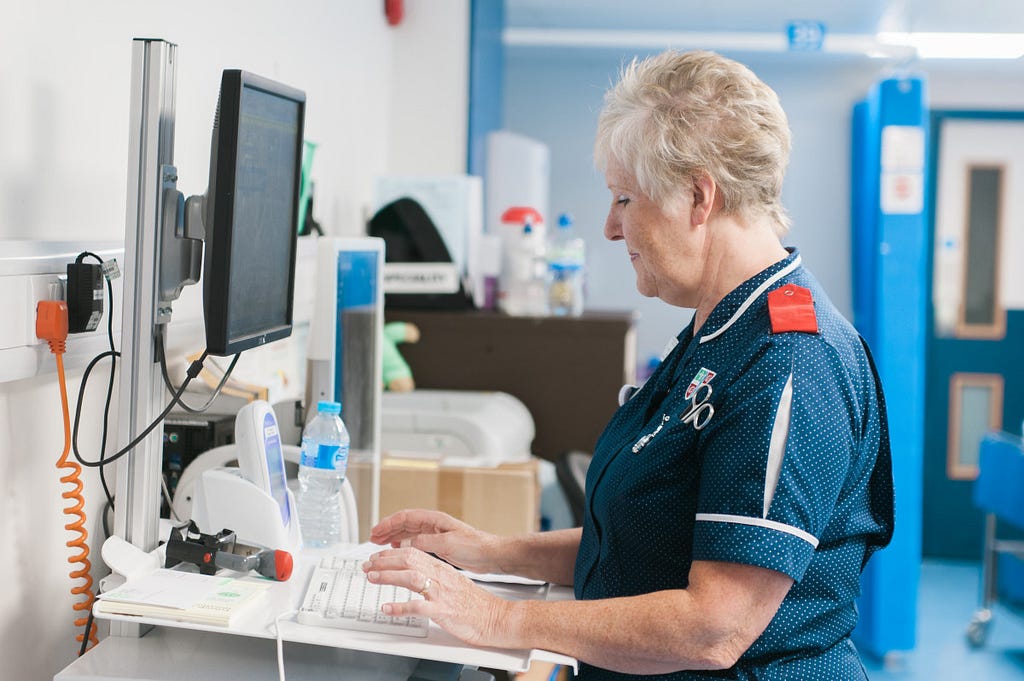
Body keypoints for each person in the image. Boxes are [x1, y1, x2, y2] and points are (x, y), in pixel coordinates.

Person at [362, 49, 894, 680]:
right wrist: (491, 552)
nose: (611, 228)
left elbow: (713, 627)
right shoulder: (721, 328)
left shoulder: (789, 363)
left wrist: (499, 618)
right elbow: (648, 545)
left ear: (699, 196)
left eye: (624, 199)